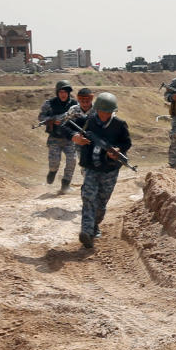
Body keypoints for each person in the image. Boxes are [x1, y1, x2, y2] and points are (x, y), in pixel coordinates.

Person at [70, 93, 131, 248]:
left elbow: (127, 143)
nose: (104, 115)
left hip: (109, 169)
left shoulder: (119, 124)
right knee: (88, 197)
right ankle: (86, 231)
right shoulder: (87, 122)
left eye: (108, 112)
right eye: (101, 111)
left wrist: (117, 150)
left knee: (101, 202)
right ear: (96, 110)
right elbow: (67, 127)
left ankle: (95, 225)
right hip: (91, 167)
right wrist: (75, 137)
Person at [37, 80, 78, 193]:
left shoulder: (74, 105)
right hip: (54, 138)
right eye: (60, 92)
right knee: (54, 162)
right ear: (57, 92)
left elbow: (81, 118)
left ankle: (65, 185)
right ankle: (52, 172)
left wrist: (71, 119)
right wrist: (52, 120)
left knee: (72, 161)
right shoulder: (49, 104)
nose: (63, 94)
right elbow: (41, 117)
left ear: (69, 92)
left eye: (65, 92)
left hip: (70, 139)